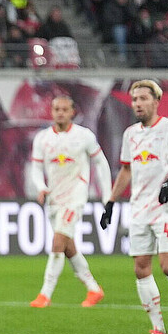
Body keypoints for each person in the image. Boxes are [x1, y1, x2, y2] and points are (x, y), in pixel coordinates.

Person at [100, 80, 168, 334]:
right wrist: (111, 202)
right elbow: (126, 169)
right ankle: (158, 330)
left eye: (143, 98)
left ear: (156, 101)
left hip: (167, 207)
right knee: (140, 268)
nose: (137, 103)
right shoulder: (130, 134)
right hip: (139, 208)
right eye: (134, 99)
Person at [28, 96, 111, 308]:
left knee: (57, 242)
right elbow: (36, 169)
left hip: (75, 197)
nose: (60, 113)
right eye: (56, 109)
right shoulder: (42, 138)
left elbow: (101, 163)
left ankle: (45, 294)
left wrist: (106, 196)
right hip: (54, 198)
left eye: (65, 109)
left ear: (73, 112)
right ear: (52, 111)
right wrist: (41, 187)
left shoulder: (84, 136)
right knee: (67, 246)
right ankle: (93, 289)